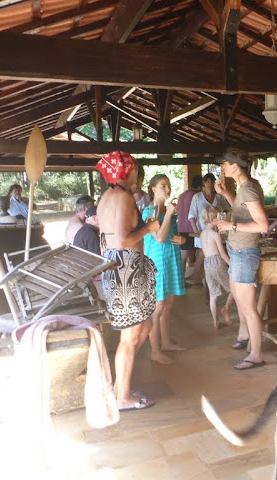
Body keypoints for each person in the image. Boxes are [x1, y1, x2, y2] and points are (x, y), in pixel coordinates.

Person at [95, 150, 160, 411]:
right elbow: (121, 241)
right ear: (127, 171)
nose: (137, 174)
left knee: (143, 328)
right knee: (130, 336)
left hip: (121, 268)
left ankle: (119, 386)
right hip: (126, 271)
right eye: (135, 169)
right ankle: (122, 396)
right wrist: (149, 228)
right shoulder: (123, 198)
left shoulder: (107, 197)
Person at [215, 151, 269, 370]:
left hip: (245, 252)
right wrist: (226, 194)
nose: (223, 168)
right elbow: (242, 209)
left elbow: (263, 225)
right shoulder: (245, 187)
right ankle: (245, 334)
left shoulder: (248, 189)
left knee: (249, 307)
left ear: (235, 166)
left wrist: (232, 226)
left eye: (225, 164)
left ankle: (256, 355)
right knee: (239, 300)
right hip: (237, 251)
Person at [142, 174, 187, 364]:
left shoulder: (168, 211)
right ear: (153, 189)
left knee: (168, 305)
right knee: (157, 307)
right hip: (157, 264)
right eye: (163, 186)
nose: (167, 190)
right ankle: (155, 350)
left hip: (171, 260)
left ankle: (166, 342)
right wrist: (168, 214)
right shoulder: (149, 212)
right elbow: (159, 238)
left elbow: (171, 235)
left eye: (168, 186)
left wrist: (182, 239)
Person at [187, 173, 228, 285]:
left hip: (216, 231)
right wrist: (195, 229)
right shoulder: (197, 197)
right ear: (204, 183)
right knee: (202, 253)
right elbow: (191, 214)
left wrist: (219, 211)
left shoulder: (219, 197)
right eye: (208, 182)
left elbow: (227, 210)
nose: (210, 184)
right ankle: (200, 276)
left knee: (213, 253)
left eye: (212, 182)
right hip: (202, 231)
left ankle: (206, 278)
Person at [200, 205, 235, 329]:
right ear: (212, 219)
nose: (219, 219)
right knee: (233, 288)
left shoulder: (202, 234)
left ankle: (215, 321)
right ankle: (226, 309)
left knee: (213, 295)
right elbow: (223, 254)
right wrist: (232, 265)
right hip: (217, 262)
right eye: (217, 217)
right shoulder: (215, 234)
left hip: (207, 263)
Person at [176, 174, 203, 276]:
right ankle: (193, 277)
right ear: (200, 185)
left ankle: (182, 278)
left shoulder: (182, 195)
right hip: (192, 229)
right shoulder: (196, 196)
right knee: (197, 253)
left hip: (181, 227)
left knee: (184, 256)